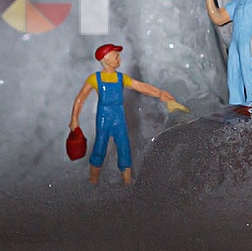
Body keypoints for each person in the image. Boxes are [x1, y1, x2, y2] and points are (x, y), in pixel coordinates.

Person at [68, 43, 187, 185]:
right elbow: (80, 98)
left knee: (123, 146)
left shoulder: (121, 78)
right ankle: (93, 182)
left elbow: (140, 86)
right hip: (104, 116)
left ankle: (127, 182)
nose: (119, 59)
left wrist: (159, 93)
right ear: (106, 60)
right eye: (116, 56)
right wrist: (74, 119)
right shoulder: (95, 78)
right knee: (100, 146)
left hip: (118, 115)